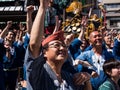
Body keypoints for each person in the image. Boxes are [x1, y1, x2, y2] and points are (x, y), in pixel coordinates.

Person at [24, 0, 92, 90]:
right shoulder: (39, 71)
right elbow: (34, 44)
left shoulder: (69, 77)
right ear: (44, 52)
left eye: (64, 46)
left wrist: (87, 79)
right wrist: (42, 8)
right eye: (56, 45)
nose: (62, 48)